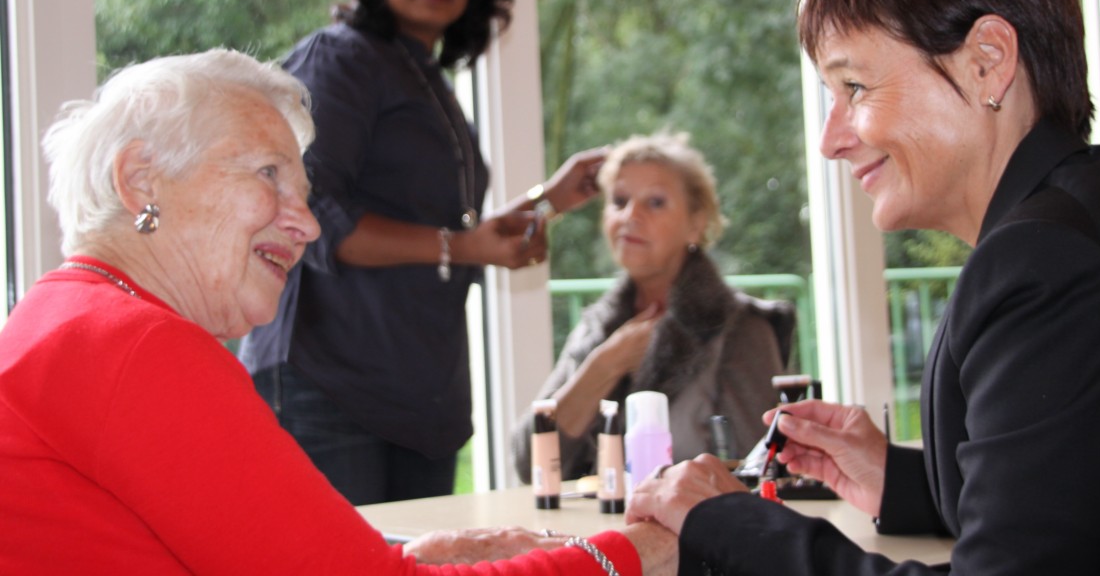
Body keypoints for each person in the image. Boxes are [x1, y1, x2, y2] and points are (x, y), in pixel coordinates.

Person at [626, 0, 1100, 574]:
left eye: (855, 87)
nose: (831, 140)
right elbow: (1085, 487)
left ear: (988, 62)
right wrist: (895, 481)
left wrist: (724, 524)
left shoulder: (1050, 265)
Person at [0, 49, 677, 574]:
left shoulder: (67, 317)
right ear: (141, 179)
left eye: (304, 192)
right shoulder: (138, 346)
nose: (308, 227)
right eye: (268, 175)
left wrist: (410, 559)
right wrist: (642, 548)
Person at [238, 0, 606, 505]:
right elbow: (313, 214)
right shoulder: (340, 60)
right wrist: (462, 247)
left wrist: (550, 201)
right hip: (327, 384)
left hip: (418, 394)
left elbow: (448, 233)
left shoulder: (422, 73)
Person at [511, 131, 795, 483]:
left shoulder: (741, 329)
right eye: (619, 200)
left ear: (696, 223)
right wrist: (604, 365)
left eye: (655, 202)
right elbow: (529, 463)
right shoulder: (598, 328)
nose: (631, 215)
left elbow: (761, 471)